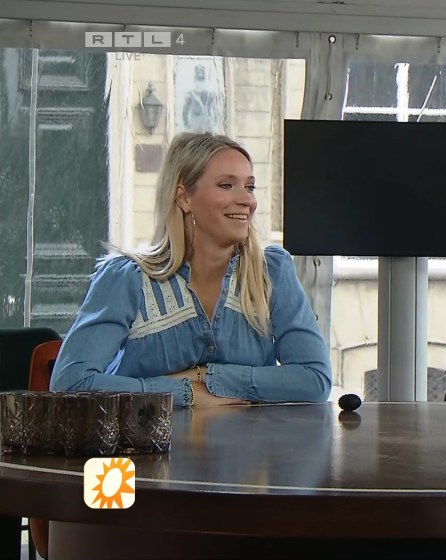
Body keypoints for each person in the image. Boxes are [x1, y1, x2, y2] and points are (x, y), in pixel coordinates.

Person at [50, 132, 332, 408]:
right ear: (184, 198)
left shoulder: (271, 272)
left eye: (249, 187)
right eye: (226, 185)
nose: (247, 200)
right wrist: (186, 394)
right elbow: (70, 383)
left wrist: (206, 377)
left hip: (252, 441)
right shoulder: (126, 278)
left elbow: (314, 379)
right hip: (151, 441)